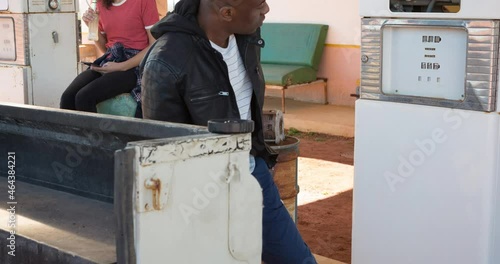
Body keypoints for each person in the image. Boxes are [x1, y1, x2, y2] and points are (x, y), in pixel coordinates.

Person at [140, 0, 317, 263]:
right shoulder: (165, 62)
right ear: (226, 13)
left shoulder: (246, 36)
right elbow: (163, 152)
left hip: (252, 173)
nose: (266, 9)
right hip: (202, 195)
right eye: (259, 5)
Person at [60, 0, 159, 117]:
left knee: (84, 97)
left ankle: (95, 135)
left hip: (136, 65)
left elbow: (154, 45)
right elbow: (105, 47)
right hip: (111, 59)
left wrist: (121, 66)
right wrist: (92, 27)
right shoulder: (100, 3)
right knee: (67, 97)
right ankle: (72, 135)